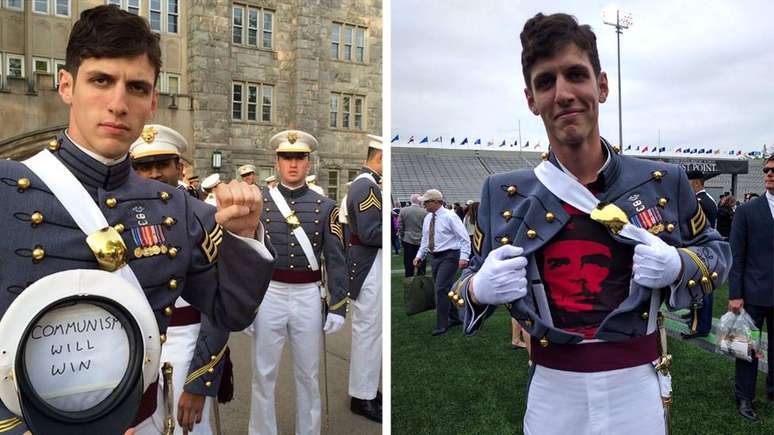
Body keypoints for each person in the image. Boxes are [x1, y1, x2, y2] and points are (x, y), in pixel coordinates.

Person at [0, 6, 275, 434]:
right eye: (101, 80)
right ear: (66, 85)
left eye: (136, 87)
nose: (117, 103)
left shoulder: (177, 207)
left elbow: (232, 311)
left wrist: (243, 235)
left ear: (151, 102)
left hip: (142, 419)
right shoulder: (6, 189)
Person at [455, 13, 730, 434]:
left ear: (601, 85)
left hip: (636, 384)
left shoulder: (662, 180)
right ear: (531, 99)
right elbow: (462, 286)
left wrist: (679, 266)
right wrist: (476, 288)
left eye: (575, 75)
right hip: (552, 388)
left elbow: (717, 253)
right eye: (546, 82)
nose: (563, 93)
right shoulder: (503, 192)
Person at [130, 125, 231, 434]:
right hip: (135, 348)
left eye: (162, 164)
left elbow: (219, 308)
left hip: (189, 342)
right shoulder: (114, 217)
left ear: (179, 167)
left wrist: (200, 380)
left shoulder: (205, 217)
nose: (154, 173)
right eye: (144, 166)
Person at [248, 130, 347, 435]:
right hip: (270, 293)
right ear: (277, 162)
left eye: (299, 158)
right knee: (263, 374)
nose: (292, 165)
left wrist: (338, 305)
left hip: (307, 294)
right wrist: (245, 305)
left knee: (309, 374)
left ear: (308, 162)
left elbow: (336, 258)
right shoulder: (259, 201)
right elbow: (246, 256)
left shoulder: (325, 205)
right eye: (286, 158)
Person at [332, 135, 383, 423]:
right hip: (367, 263)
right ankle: (361, 397)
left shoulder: (366, 184)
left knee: (371, 332)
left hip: (367, 262)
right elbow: (370, 232)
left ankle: (366, 390)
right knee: (368, 332)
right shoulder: (366, 186)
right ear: (379, 158)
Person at [728, 156, 774, 422]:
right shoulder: (747, 211)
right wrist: (735, 294)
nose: (768, 174)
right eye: (766, 170)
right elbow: (737, 255)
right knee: (747, 349)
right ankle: (744, 397)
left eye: (772, 170)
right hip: (753, 293)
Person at [414, 189, 471, 336]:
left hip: (450, 256)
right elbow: (425, 240)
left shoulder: (450, 217)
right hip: (435, 257)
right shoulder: (428, 218)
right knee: (443, 289)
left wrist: (464, 257)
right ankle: (454, 317)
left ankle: (442, 323)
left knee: (439, 289)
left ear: (436, 202)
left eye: (426, 202)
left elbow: (464, 237)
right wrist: (419, 255)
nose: (424, 204)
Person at [681, 170, 718, 339]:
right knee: (700, 287)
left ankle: (700, 326)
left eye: (688, 183)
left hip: (700, 250)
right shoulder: (706, 199)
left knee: (702, 288)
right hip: (706, 249)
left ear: (695, 183)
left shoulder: (699, 201)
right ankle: (695, 317)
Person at [398, 194, 427, 277]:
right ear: (419, 201)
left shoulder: (403, 210)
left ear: (411, 201)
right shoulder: (424, 212)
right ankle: (421, 280)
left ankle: (409, 279)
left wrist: (402, 235)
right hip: (421, 240)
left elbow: (400, 225)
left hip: (407, 239)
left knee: (408, 262)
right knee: (421, 261)